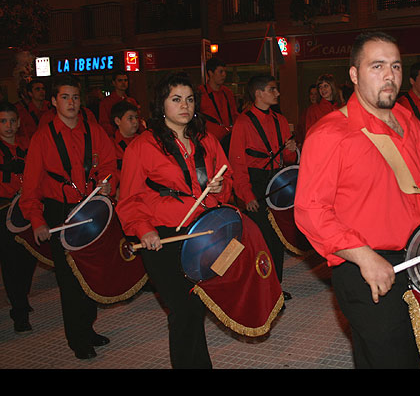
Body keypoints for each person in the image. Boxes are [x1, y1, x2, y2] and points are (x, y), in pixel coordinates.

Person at [294, 31, 420, 368]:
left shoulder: (409, 120)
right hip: (364, 266)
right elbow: (310, 212)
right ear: (354, 75)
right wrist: (366, 258)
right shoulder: (330, 134)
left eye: (395, 66)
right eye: (376, 66)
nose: (389, 76)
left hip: (418, 257)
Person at [116, 72, 231, 369]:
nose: (185, 106)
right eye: (176, 99)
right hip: (163, 238)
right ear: (161, 104)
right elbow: (128, 199)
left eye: (190, 99)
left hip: (203, 232)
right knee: (183, 310)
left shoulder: (206, 139)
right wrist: (144, 230)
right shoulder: (142, 145)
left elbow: (225, 176)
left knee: (195, 307)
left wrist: (221, 187)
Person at [20, 76, 117, 360]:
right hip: (59, 212)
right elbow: (31, 186)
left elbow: (109, 164)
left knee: (90, 272)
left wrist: (109, 181)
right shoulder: (42, 137)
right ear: (54, 101)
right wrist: (37, 221)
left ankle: (87, 327)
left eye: (75, 97)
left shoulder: (94, 131)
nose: (71, 102)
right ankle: (77, 338)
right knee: (69, 278)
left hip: (91, 209)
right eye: (65, 97)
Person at [228, 75, 297, 292]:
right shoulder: (243, 122)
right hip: (255, 184)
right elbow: (237, 163)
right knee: (261, 240)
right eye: (272, 89)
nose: (277, 93)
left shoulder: (280, 120)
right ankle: (262, 288)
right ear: (259, 94)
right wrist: (246, 195)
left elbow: (287, 161)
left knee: (277, 238)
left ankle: (275, 287)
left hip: (276, 181)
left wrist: (292, 151)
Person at [0, 102, 37, 333]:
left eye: (12, 121)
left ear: (19, 122)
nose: (8, 126)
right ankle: (20, 311)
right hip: (4, 210)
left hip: (28, 208)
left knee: (29, 257)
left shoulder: (28, 145)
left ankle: (21, 297)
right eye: (3, 121)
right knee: (11, 262)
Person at [198, 57, 239, 154]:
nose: (224, 75)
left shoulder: (227, 92)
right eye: (220, 72)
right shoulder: (200, 93)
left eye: (225, 72)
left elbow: (234, 114)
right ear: (210, 73)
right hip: (209, 143)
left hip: (229, 140)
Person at [110, 100, 140, 185]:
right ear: (117, 121)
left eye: (136, 117)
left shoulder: (144, 141)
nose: (135, 122)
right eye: (130, 118)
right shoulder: (110, 144)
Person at [99, 73, 138, 138]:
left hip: (132, 136)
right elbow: (104, 123)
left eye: (125, 80)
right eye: (120, 80)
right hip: (114, 138)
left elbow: (138, 119)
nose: (123, 83)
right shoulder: (106, 102)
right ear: (114, 83)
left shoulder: (132, 101)